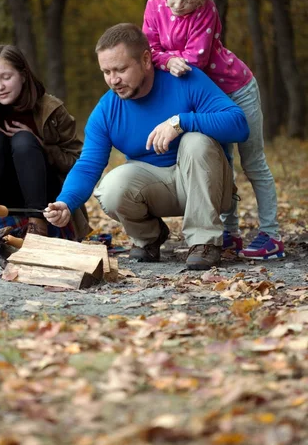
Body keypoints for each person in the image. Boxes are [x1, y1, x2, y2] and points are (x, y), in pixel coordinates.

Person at [44, 23, 249, 271]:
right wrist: (66, 202)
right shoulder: (107, 110)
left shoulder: (185, 80)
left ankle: (204, 242)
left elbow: (238, 124)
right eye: (106, 72)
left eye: (120, 69)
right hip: (157, 189)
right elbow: (88, 166)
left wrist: (182, 122)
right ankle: (149, 236)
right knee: (111, 187)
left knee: (196, 140)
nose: (113, 80)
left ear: (146, 59)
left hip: (208, 183)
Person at [142, 0, 284, 261]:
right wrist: (164, 60)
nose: (177, 5)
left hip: (235, 89)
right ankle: (229, 232)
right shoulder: (154, 5)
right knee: (225, 165)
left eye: (187, 2)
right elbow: (148, 50)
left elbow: (196, 62)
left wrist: (168, 57)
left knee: (252, 161)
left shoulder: (206, 11)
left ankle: (271, 234)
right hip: (204, 99)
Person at [0, 44, 90, 240]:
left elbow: (78, 161)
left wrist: (43, 147)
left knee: (23, 141)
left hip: (44, 199)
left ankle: (37, 225)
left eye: (6, 77)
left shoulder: (51, 110)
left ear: (23, 76)